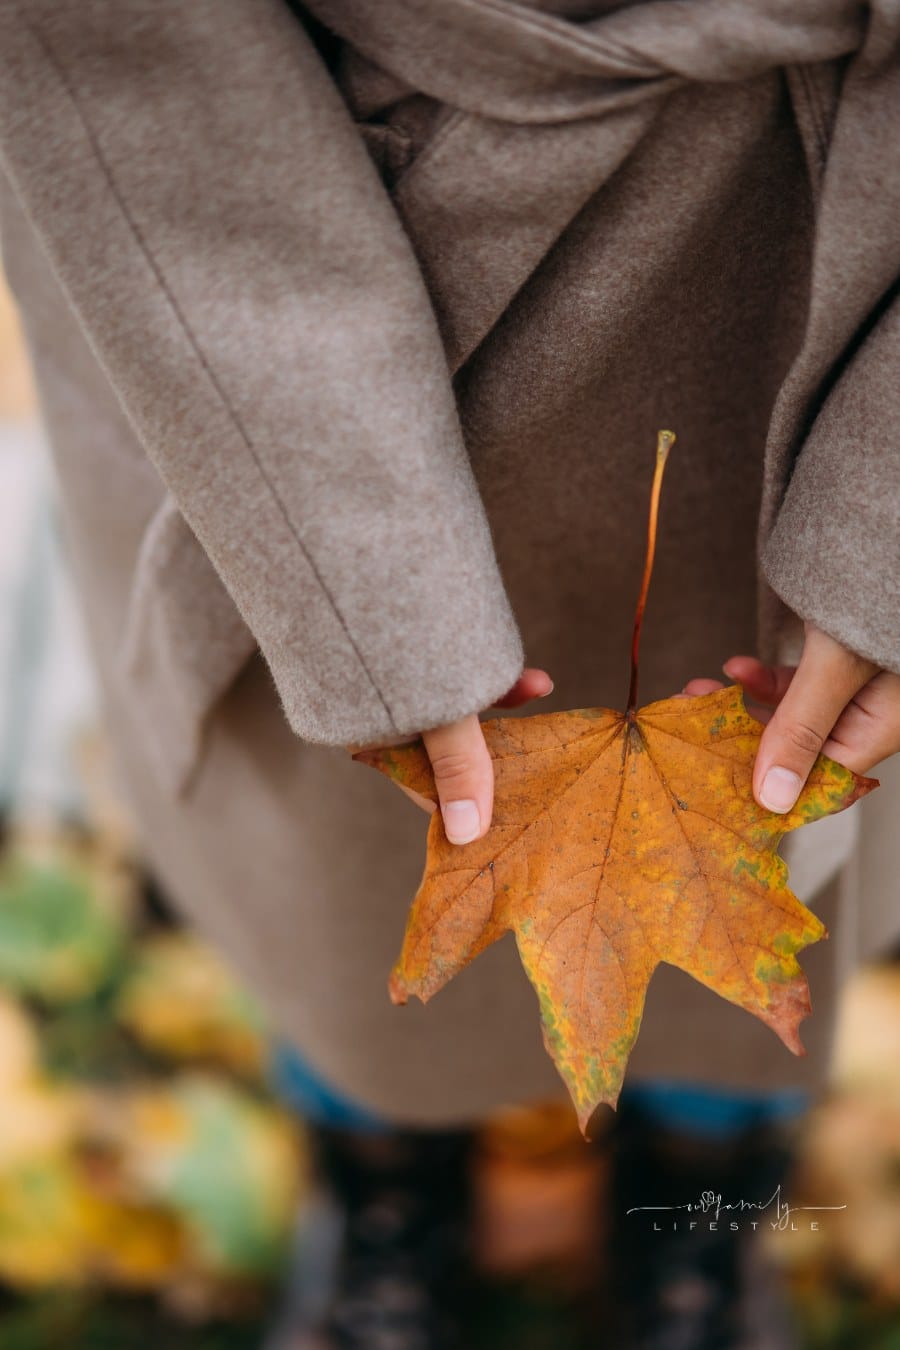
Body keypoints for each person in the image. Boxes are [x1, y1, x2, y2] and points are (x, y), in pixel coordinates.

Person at [1, 1, 898, 1345]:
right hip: (293, 282)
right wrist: (360, 592)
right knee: (355, 888)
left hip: (827, 274)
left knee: (760, 926)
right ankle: (385, 1198)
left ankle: (697, 1228)